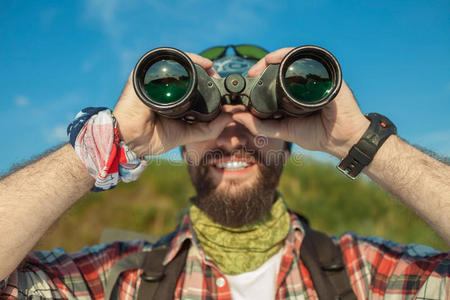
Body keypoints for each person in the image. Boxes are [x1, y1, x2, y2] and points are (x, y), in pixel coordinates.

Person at [0, 46, 449, 300]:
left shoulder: (367, 275)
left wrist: (357, 141)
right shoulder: (117, 280)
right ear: (177, 143)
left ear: (290, 137)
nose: (233, 138)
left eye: (260, 120)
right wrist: (108, 146)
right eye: (204, 122)